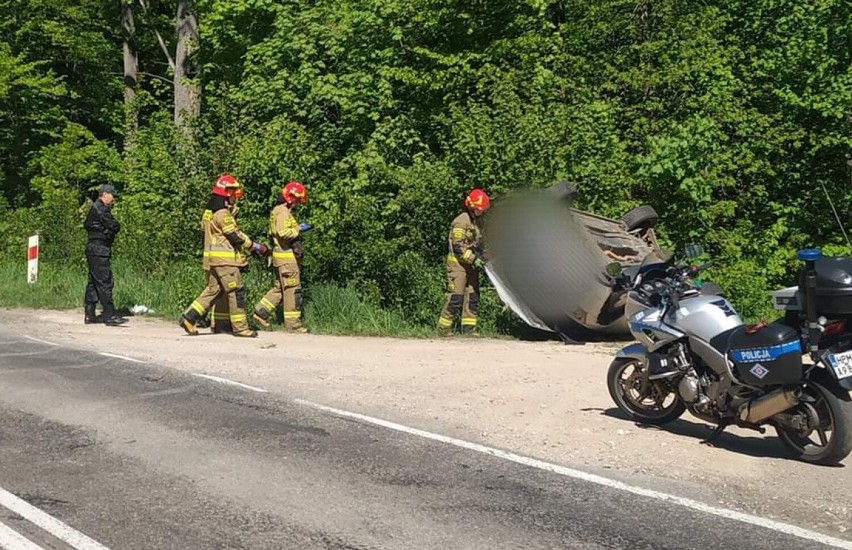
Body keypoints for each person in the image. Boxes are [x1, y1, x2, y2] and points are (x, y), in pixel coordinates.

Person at [178, 174, 269, 338]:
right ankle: (240, 328)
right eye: (234, 192)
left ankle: (189, 317)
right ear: (227, 193)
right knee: (236, 291)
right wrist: (255, 247)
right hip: (225, 261)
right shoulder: (222, 214)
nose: (236, 196)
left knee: (214, 290)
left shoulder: (212, 212)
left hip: (214, 260)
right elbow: (235, 235)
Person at [253, 181, 309, 332]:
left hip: (281, 257)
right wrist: (299, 228)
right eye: (297, 200)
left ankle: (260, 312)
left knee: (279, 288)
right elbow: (283, 233)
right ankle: (293, 324)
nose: (298, 204)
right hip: (286, 259)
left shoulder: (278, 210)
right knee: (292, 289)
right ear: (290, 198)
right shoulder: (283, 213)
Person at [437, 188, 491, 334]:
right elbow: (458, 247)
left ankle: (468, 329)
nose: (482, 212)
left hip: (471, 265)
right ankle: (443, 329)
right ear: (472, 207)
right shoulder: (461, 221)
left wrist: (485, 255)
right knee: (456, 297)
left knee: (473, 297)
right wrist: (474, 259)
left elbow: (477, 244)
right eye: (480, 209)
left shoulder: (475, 223)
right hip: (458, 265)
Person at [83, 184, 127, 326]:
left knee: (93, 283)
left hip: (93, 248)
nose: (113, 199)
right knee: (104, 281)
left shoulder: (95, 208)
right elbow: (115, 226)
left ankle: (90, 314)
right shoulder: (101, 208)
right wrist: (108, 231)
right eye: (112, 196)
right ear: (105, 194)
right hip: (99, 249)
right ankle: (109, 315)